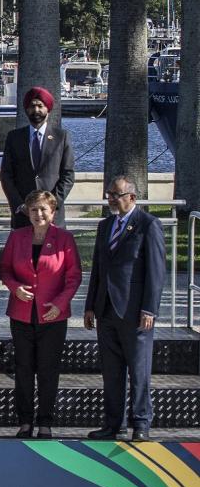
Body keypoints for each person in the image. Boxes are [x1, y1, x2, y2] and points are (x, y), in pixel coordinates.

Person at [85, 176, 166, 441]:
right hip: (106, 309)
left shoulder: (148, 225)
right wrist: (90, 306)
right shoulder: (105, 225)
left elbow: (156, 271)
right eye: (108, 194)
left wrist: (149, 309)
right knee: (112, 372)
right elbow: (98, 268)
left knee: (139, 370)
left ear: (132, 197)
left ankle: (140, 423)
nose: (110, 198)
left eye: (116, 194)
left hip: (134, 312)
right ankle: (113, 424)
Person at [0, 189, 82, 439]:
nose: (38, 214)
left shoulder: (64, 239)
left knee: (48, 370)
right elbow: (4, 269)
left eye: (43, 209)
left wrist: (59, 303)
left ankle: (45, 421)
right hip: (22, 314)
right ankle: (24, 421)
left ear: (53, 212)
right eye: (33, 209)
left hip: (52, 316)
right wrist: (15, 288)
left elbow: (74, 276)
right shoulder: (17, 237)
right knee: (23, 369)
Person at [0, 86, 75, 228]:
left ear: (48, 108)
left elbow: (68, 175)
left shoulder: (61, 137)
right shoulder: (14, 137)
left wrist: (51, 204)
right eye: (32, 106)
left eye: (40, 106)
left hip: (53, 216)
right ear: (27, 109)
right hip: (23, 216)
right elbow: (6, 175)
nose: (36, 110)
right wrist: (20, 206)